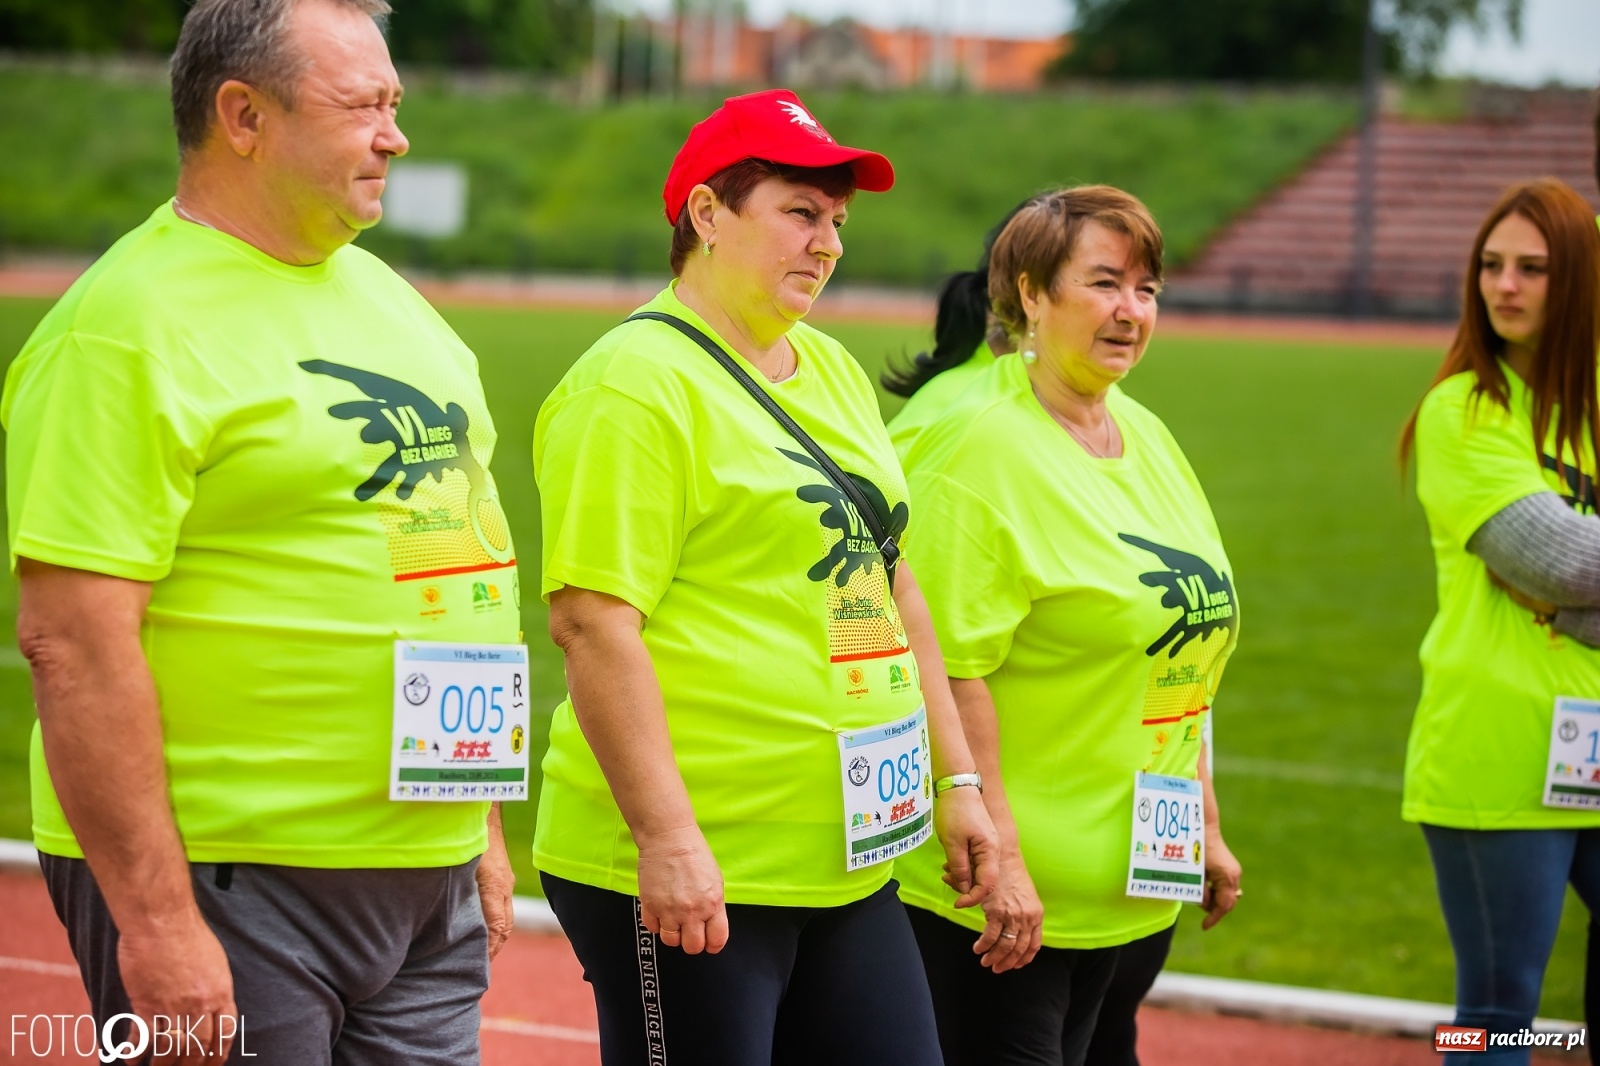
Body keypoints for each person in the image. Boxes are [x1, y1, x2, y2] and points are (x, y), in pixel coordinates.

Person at [3, 1, 521, 1062]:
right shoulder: (124, 330)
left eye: (396, 104)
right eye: (363, 106)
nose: (395, 134)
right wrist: (155, 922)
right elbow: (73, 640)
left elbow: (453, 564)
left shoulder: (398, 307)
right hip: (234, 875)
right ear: (243, 115)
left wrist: (477, 826)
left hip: (424, 875)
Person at [530, 87, 1000, 1065]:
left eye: (836, 221)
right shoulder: (633, 384)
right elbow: (593, 623)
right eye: (799, 212)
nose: (826, 243)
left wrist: (957, 779)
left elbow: (890, 575)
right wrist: (666, 838)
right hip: (700, 858)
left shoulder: (826, 366)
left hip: (847, 853)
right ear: (706, 214)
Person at [890, 185, 1244, 1066]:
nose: (1130, 311)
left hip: (1129, 890)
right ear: (1029, 295)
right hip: (1005, 904)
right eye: (1104, 284)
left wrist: (1203, 815)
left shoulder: (1148, 438)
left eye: (1147, 289)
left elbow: (1182, 639)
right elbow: (946, 668)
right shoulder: (978, 449)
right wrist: (1000, 854)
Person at [1400, 177, 1600, 1066]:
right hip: (1496, 748)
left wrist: (1573, 612)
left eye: (1534, 267)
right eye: (1490, 265)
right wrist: (1568, 587)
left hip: (1589, 728)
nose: (1504, 285)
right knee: (1492, 1011)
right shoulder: (1463, 410)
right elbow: (1562, 560)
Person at [882, 200, 1027, 452]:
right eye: (1102, 283)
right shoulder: (957, 404)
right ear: (1029, 293)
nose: (1120, 308)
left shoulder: (1105, 405)